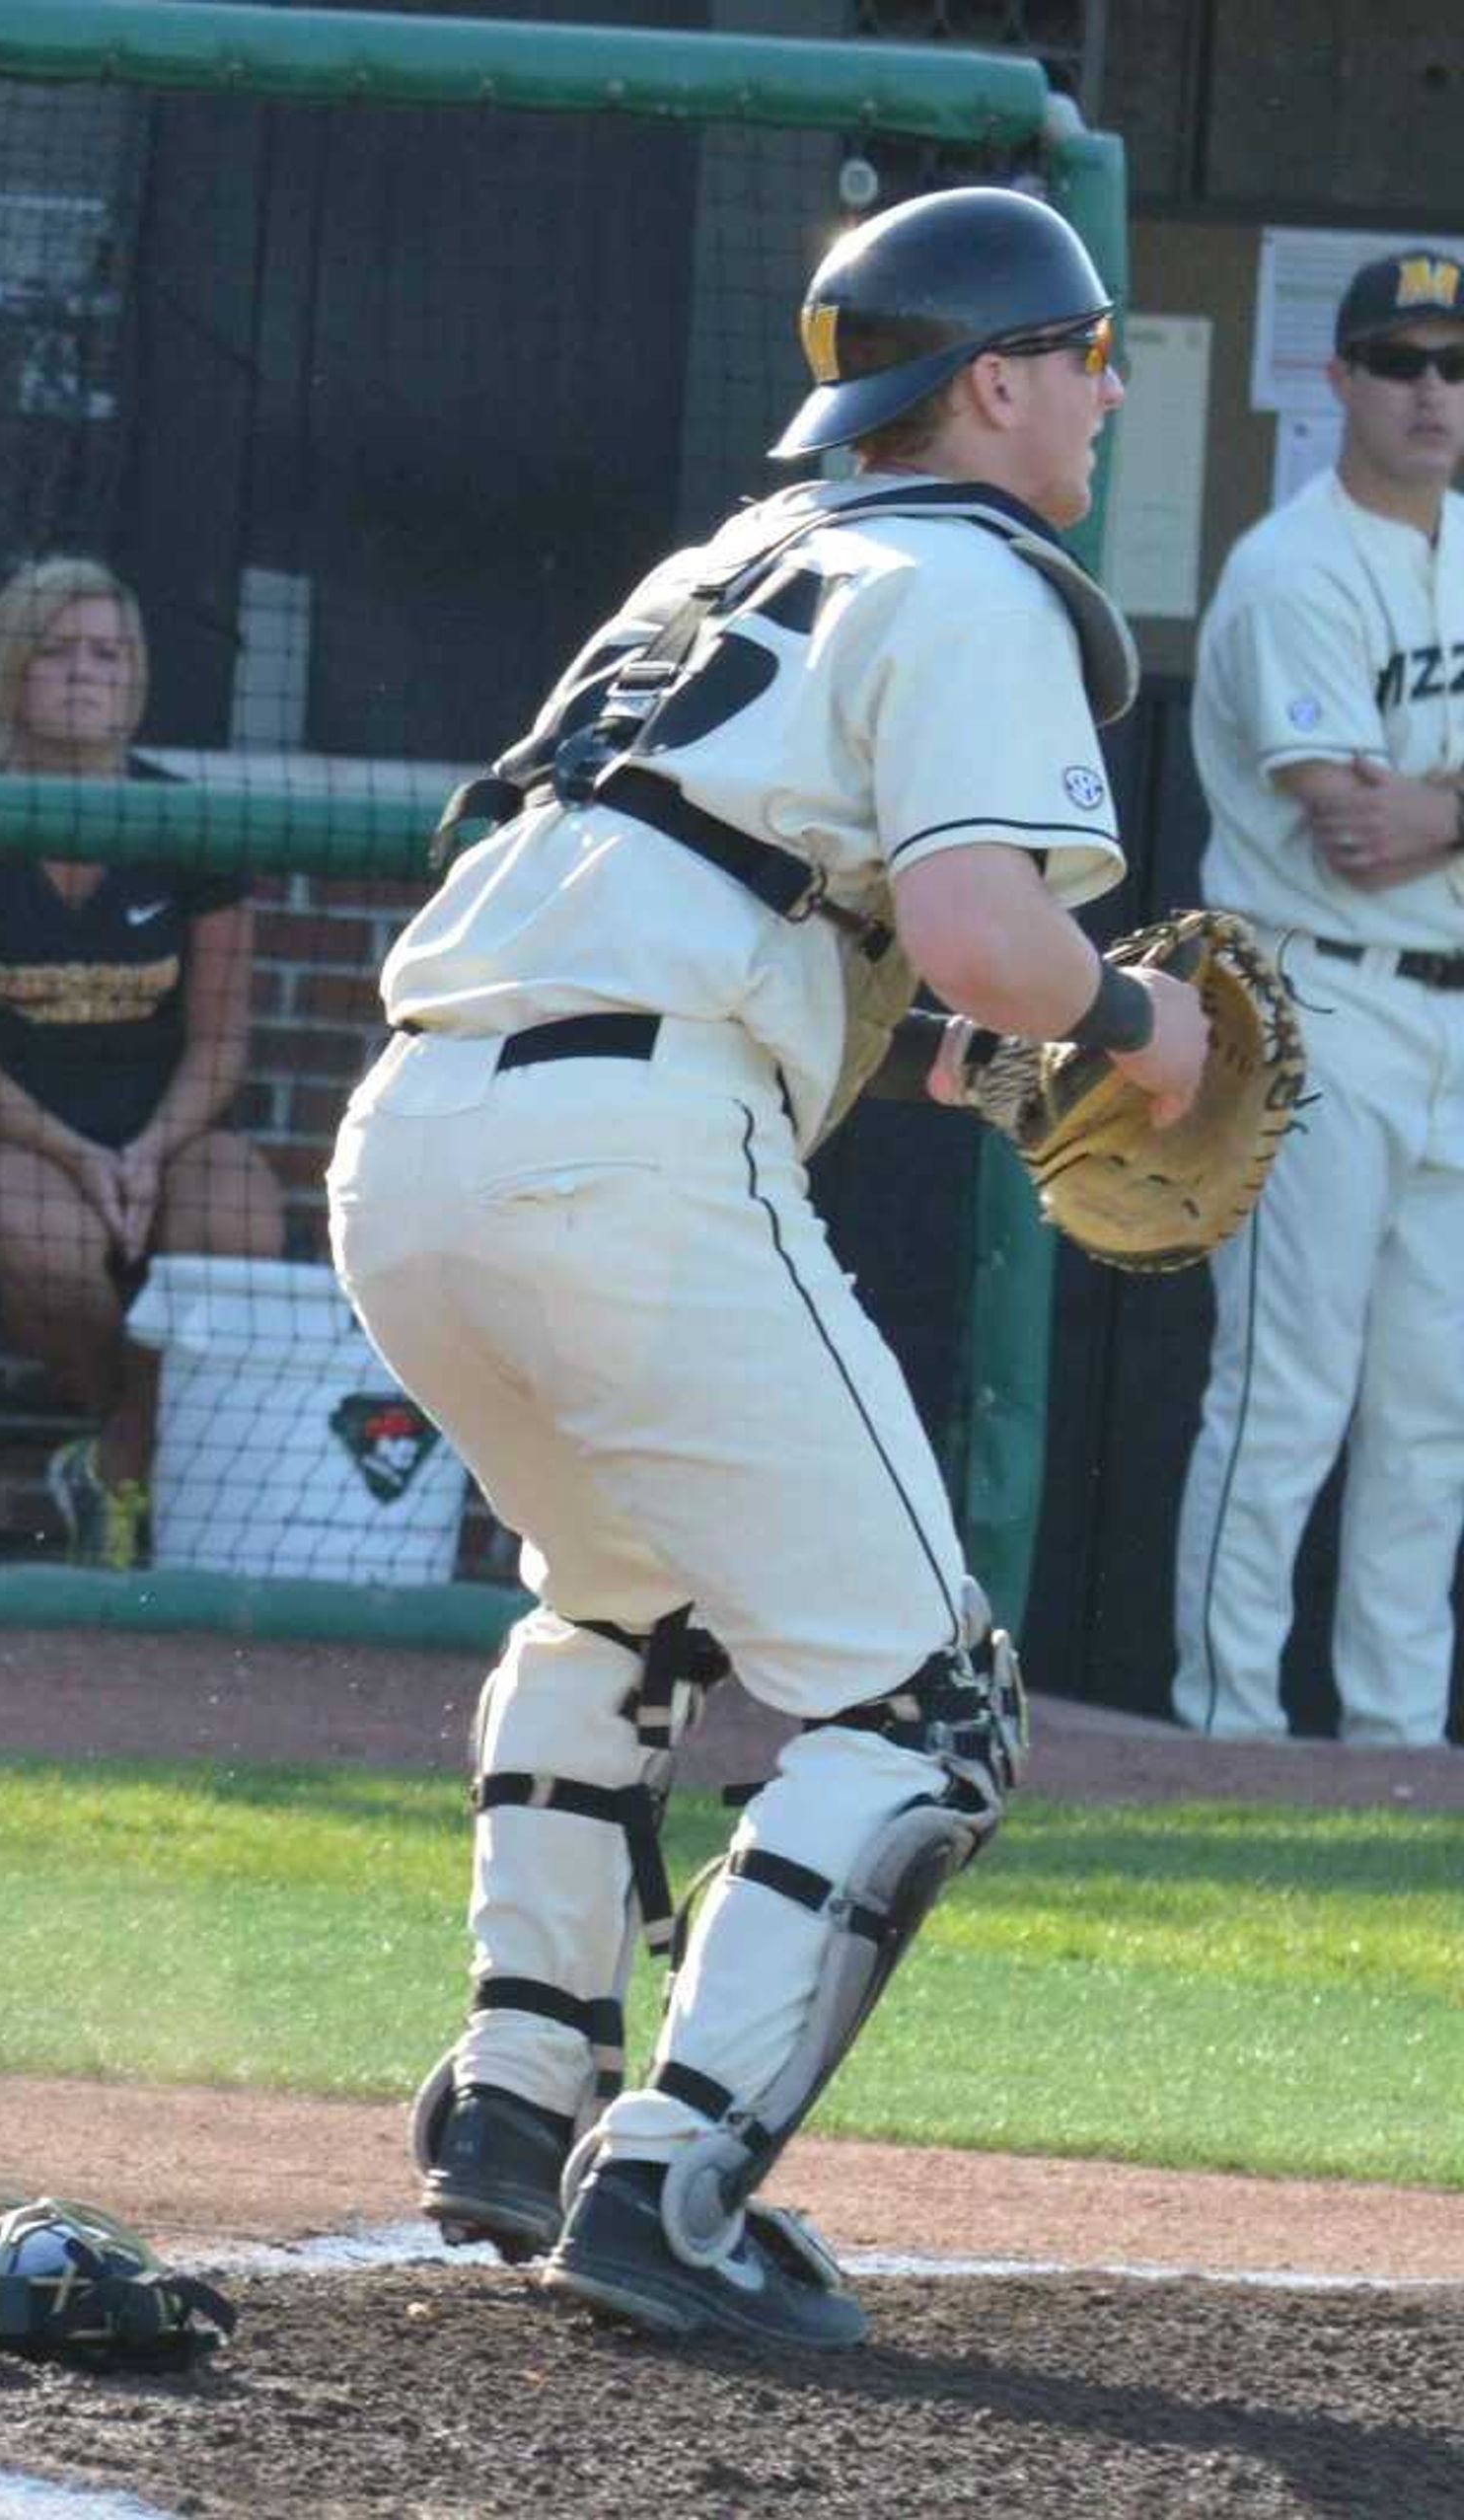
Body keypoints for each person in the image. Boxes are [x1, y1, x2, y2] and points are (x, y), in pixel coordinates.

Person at [327, 186, 1204, 2349]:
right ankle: (677, 2173)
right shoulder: (974, 570)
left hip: (423, 1134)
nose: (1104, 388)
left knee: (613, 1594)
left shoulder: (714, 566)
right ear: (989, 378)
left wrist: (958, 1067)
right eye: (1087, 352)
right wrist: (1131, 1028)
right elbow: (1003, 937)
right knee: (927, 1707)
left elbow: (676, 898)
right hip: (629, 1158)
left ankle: (520, 2088)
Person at [1171, 249, 1464, 1753]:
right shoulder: (1293, 563)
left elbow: (1415, 816)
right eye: (1398, 359)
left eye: (1452, 361)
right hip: (1316, 1003)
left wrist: (1449, 801)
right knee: (1286, 1395)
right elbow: (1354, 833)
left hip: (1452, 1017)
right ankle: (1222, 1737)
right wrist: (1426, 809)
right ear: (1337, 377)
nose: (1431, 389)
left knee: (1431, 1417)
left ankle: (1398, 1753)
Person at [0, 556, 282, 1571]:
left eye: (107, 653)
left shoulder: (193, 820)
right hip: (0, 1144)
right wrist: (75, 1153)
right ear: (10, 670)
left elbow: (221, 1043)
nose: (83, 674)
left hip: (165, 1136)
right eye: (57, 652)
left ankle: (114, 1464)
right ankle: (139, 1448)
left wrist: (148, 1149)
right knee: (54, 1250)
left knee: (239, 1211)